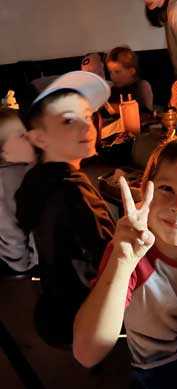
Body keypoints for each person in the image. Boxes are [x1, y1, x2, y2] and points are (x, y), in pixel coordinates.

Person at [73, 135, 177, 388]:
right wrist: (122, 261)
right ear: (145, 192)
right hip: (154, 366)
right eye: (167, 189)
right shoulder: (130, 255)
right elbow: (87, 354)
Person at [15, 71, 116, 345]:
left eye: (86, 115)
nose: (87, 127)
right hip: (83, 314)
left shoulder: (34, 179)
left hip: (53, 303)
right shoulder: (74, 191)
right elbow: (113, 261)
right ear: (39, 139)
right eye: (68, 120)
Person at [0, 108, 38, 272]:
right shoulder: (8, 180)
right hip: (19, 266)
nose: (30, 138)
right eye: (21, 136)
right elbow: (11, 235)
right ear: (4, 152)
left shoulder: (28, 169)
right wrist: (25, 265)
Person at [105, 46, 153, 113]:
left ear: (131, 71)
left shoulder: (142, 86)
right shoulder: (111, 89)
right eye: (110, 72)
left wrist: (117, 108)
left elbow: (148, 113)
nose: (113, 77)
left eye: (117, 72)